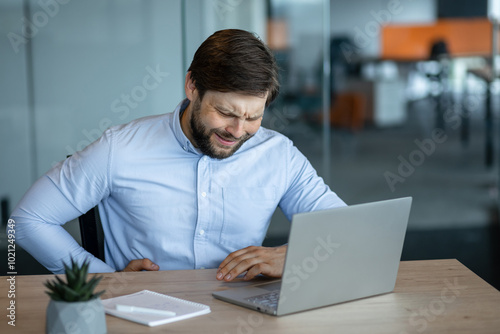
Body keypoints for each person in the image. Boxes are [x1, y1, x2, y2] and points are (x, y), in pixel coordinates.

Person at [9, 29, 346, 281]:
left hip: (243, 315)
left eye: (254, 117)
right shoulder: (120, 149)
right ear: (191, 86)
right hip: (143, 313)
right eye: (226, 112)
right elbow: (27, 221)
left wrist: (294, 257)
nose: (238, 130)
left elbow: (345, 230)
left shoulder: (279, 155)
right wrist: (104, 279)